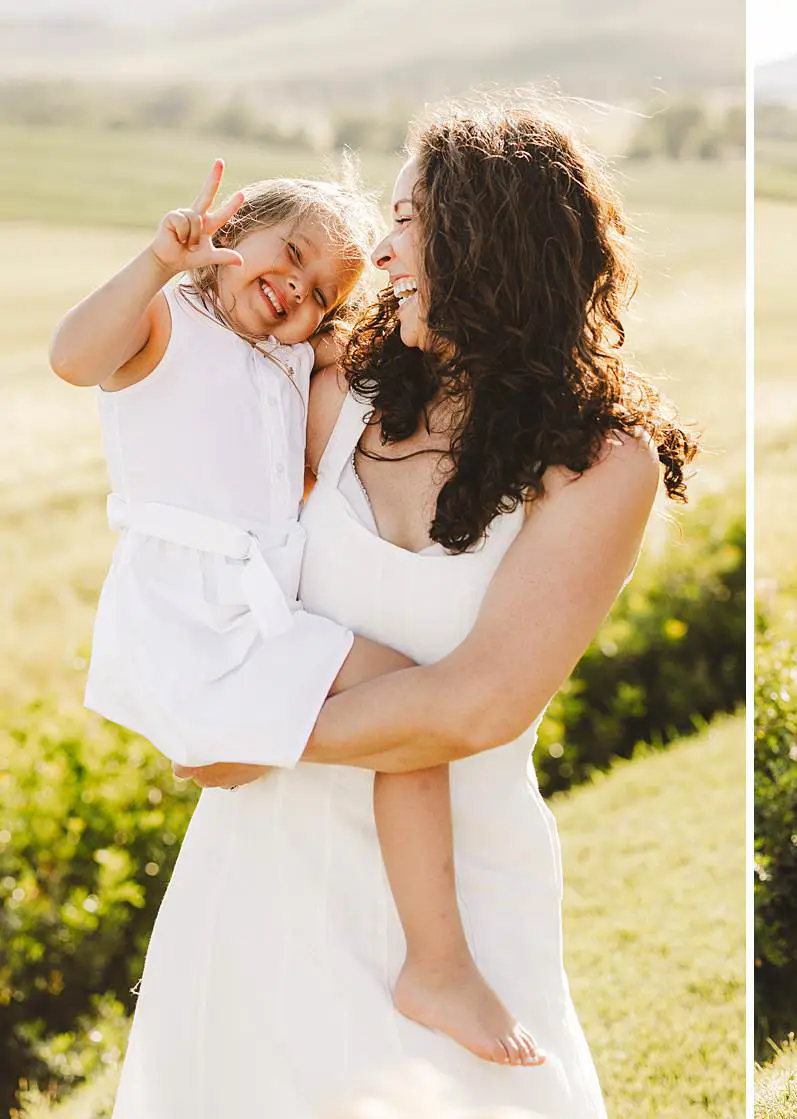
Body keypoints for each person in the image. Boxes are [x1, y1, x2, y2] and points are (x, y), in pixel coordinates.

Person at [107, 99, 696, 1119]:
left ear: (488, 236)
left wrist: (257, 731)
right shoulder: (334, 385)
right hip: (262, 878)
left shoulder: (603, 466)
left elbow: (479, 704)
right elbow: (183, 463)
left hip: (463, 893)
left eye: (408, 219)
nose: (382, 253)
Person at [52, 161, 546, 1066]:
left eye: (321, 292)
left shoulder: (286, 359)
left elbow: (337, 389)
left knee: (413, 705)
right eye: (289, 256)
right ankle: (437, 963)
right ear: (229, 234)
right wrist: (159, 262)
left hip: (260, 614)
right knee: (414, 706)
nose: (295, 290)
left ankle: (433, 963)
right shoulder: (166, 325)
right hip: (195, 614)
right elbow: (71, 358)